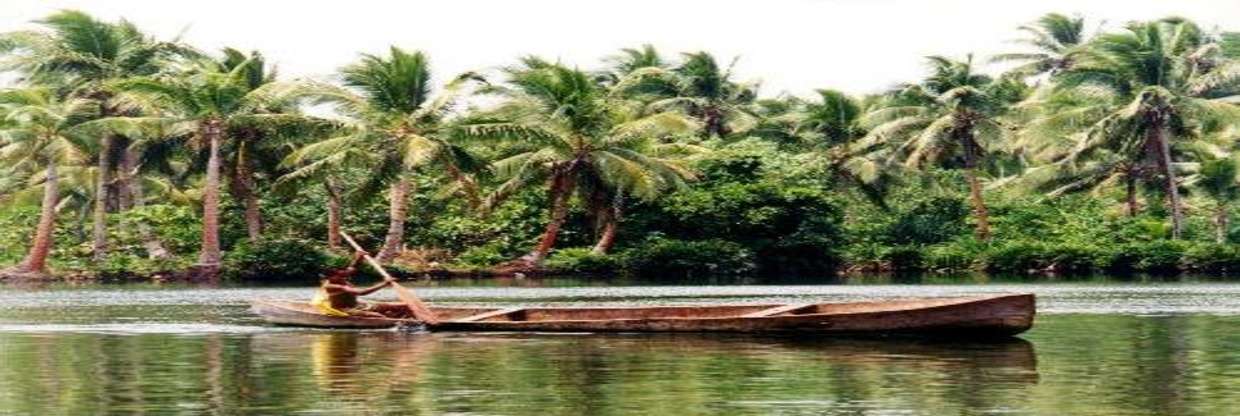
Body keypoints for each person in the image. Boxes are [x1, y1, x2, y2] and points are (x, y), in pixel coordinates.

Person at [310, 251, 411, 318]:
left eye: (342, 274)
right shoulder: (331, 286)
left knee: (396, 307)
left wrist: (359, 257)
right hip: (345, 310)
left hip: (358, 305)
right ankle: (391, 321)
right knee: (378, 316)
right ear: (330, 277)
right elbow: (361, 292)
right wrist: (384, 284)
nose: (343, 276)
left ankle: (400, 317)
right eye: (339, 276)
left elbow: (352, 268)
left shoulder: (341, 277)